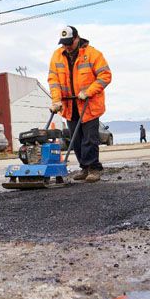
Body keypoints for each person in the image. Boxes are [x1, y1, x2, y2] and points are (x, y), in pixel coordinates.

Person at [48, 26, 111, 182]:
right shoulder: (57, 56)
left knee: (90, 139)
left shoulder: (92, 54)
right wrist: (56, 100)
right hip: (69, 105)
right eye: (64, 44)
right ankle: (84, 168)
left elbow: (105, 76)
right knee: (76, 139)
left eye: (69, 43)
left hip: (89, 104)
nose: (67, 47)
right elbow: (53, 80)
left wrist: (88, 91)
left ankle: (94, 169)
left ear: (77, 38)